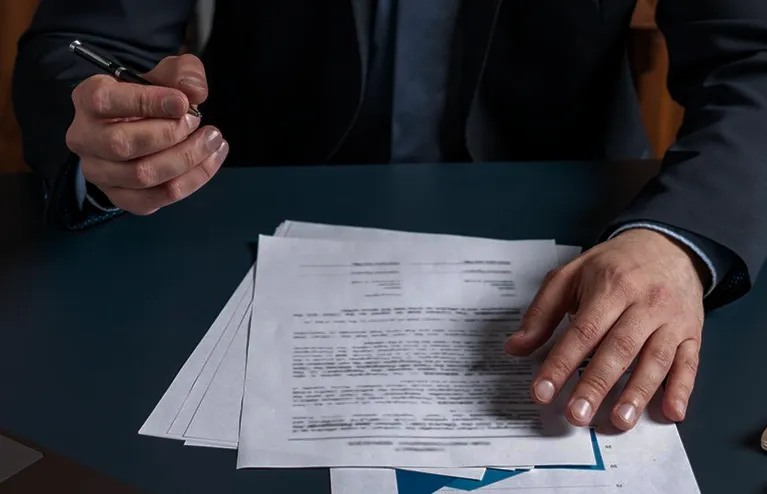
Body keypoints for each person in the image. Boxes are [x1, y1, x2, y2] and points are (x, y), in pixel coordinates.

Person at [12, 1, 767, 432]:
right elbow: (84, 41)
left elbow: (753, 59)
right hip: (237, 214)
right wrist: (109, 136)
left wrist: (677, 241)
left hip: (579, 229)